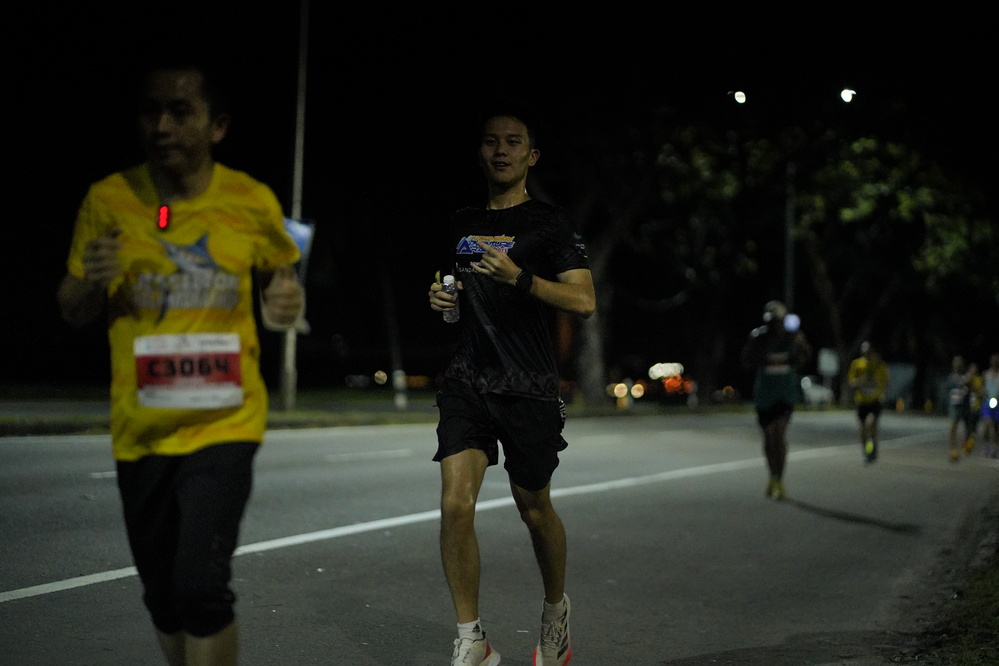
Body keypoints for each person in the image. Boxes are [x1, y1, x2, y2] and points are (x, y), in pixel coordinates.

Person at [56, 58, 303, 666]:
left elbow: (281, 280)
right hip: (140, 430)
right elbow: (70, 306)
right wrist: (93, 282)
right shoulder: (108, 200)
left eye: (180, 112)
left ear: (217, 126)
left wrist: (284, 301)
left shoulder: (251, 200)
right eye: (151, 111)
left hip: (225, 423)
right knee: (163, 599)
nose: (162, 125)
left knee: (200, 586)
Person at [428, 107, 595, 666]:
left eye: (513, 142)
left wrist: (521, 278)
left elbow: (584, 301)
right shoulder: (462, 222)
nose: (501, 150)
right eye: (491, 141)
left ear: (532, 156)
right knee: (455, 502)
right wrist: (443, 302)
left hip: (528, 385)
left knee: (534, 508)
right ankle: (471, 638)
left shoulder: (551, 223)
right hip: (468, 380)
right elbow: (457, 297)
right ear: (480, 152)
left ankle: (555, 612)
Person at [741, 301, 812, 500]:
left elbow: (806, 355)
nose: (775, 326)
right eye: (771, 322)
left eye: (778, 321)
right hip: (764, 395)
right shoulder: (757, 337)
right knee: (768, 438)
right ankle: (772, 476)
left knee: (779, 434)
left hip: (785, 394)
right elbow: (745, 361)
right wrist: (759, 356)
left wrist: (797, 355)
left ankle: (779, 479)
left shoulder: (794, 337)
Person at [846, 341, 890, 463]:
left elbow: (886, 383)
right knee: (862, 429)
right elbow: (851, 382)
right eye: (863, 349)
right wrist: (861, 381)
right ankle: (866, 450)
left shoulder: (879, 364)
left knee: (870, 424)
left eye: (868, 349)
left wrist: (876, 382)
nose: (865, 351)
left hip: (875, 400)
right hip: (862, 401)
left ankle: (873, 445)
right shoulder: (857, 364)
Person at [945, 355, 973, 462]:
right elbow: (947, 388)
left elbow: (970, 387)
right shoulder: (951, 377)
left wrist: (967, 383)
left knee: (967, 428)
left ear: (962, 365)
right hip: (954, 405)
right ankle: (953, 451)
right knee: (952, 428)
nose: (957, 365)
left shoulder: (966, 376)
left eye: (959, 363)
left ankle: (968, 443)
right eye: (955, 363)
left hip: (964, 405)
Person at [979, 353, 999, 458]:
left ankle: (995, 448)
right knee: (987, 425)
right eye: (993, 360)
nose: (995, 362)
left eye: (997, 360)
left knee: (996, 428)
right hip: (987, 403)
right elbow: (981, 386)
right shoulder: (986, 374)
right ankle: (986, 447)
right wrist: (982, 393)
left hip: (998, 403)